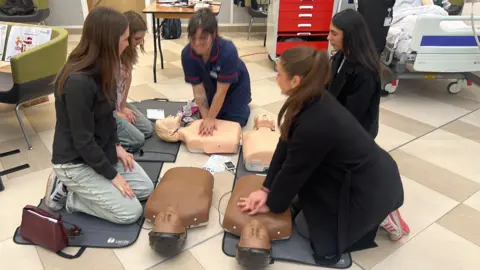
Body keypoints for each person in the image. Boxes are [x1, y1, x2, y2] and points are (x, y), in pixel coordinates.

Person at [237, 46, 404, 264]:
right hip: (352, 174)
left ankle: (382, 216)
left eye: (279, 74)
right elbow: (285, 145)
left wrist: (273, 203)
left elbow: (294, 170)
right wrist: (267, 188)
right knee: (296, 201)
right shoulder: (310, 98)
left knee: (308, 229)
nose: (276, 78)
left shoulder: (315, 121)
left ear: (295, 81)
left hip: (369, 189)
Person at [44, 7, 154, 225]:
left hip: (100, 149)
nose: (129, 43)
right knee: (130, 213)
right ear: (109, 43)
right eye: (124, 39)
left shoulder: (107, 67)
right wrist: (112, 176)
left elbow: (107, 117)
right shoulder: (77, 83)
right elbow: (83, 142)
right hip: (74, 162)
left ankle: (88, 187)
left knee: (145, 189)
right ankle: (70, 195)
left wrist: (117, 146)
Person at [327, 9, 410, 241]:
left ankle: (387, 215)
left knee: (343, 174)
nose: (328, 38)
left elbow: (352, 116)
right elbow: (330, 92)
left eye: (334, 34)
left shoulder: (365, 71)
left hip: (356, 131)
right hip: (340, 124)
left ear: (350, 35)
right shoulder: (341, 57)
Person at [181, 8, 252, 136]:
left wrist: (210, 119)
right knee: (207, 116)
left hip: (235, 86)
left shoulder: (228, 51)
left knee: (233, 122)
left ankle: (245, 101)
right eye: (193, 38)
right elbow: (198, 91)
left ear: (214, 35)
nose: (197, 43)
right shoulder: (187, 55)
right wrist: (206, 118)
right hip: (211, 83)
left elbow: (221, 92)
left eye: (203, 38)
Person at [114, 11, 154, 153]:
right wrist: (116, 112)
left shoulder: (128, 52)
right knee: (137, 140)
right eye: (137, 39)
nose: (140, 43)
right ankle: (104, 142)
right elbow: (99, 96)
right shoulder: (109, 57)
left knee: (148, 130)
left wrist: (123, 106)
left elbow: (127, 78)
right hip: (104, 109)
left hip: (117, 102)